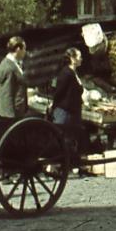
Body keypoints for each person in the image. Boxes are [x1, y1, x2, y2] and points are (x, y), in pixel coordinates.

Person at [49, 46, 87, 176]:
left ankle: (70, 164)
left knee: (71, 138)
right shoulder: (66, 73)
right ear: (72, 59)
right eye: (79, 56)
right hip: (64, 110)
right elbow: (59, 92)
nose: (81, 59)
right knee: (61, 137)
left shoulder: (74, 73)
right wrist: (54, 106)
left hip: (73, 111)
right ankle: (53, 165)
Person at [0, 36, 29, 118]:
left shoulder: (15, 64)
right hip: (11, 116)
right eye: (24, 49)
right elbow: (7, 95)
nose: (25, 52)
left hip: (18, 114)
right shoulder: (9, 67)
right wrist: (10, 118)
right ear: (18, 49)